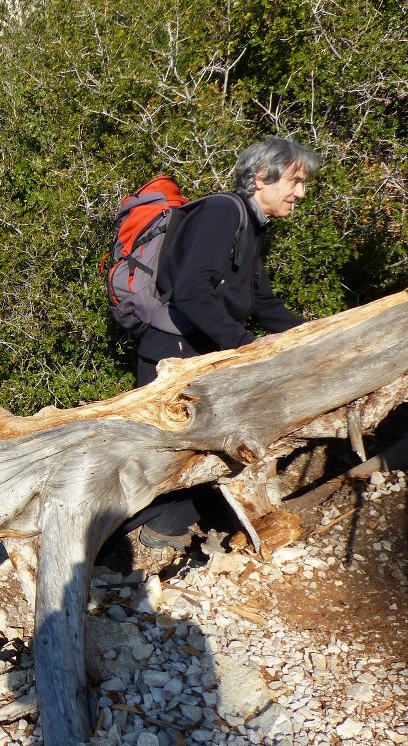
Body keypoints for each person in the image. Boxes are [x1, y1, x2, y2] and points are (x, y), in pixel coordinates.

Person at [126, 136, 322, 550]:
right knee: (164, 456)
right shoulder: (222, 212)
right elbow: (192, 293)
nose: (300, 193)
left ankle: (162, 532)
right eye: (294, 181)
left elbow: (262, 302)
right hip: (173, 353)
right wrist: (246, 347)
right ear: (259, 178)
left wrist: (320, 335)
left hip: (196, 352)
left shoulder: (251, 225)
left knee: (194, 453)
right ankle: (130, 541)